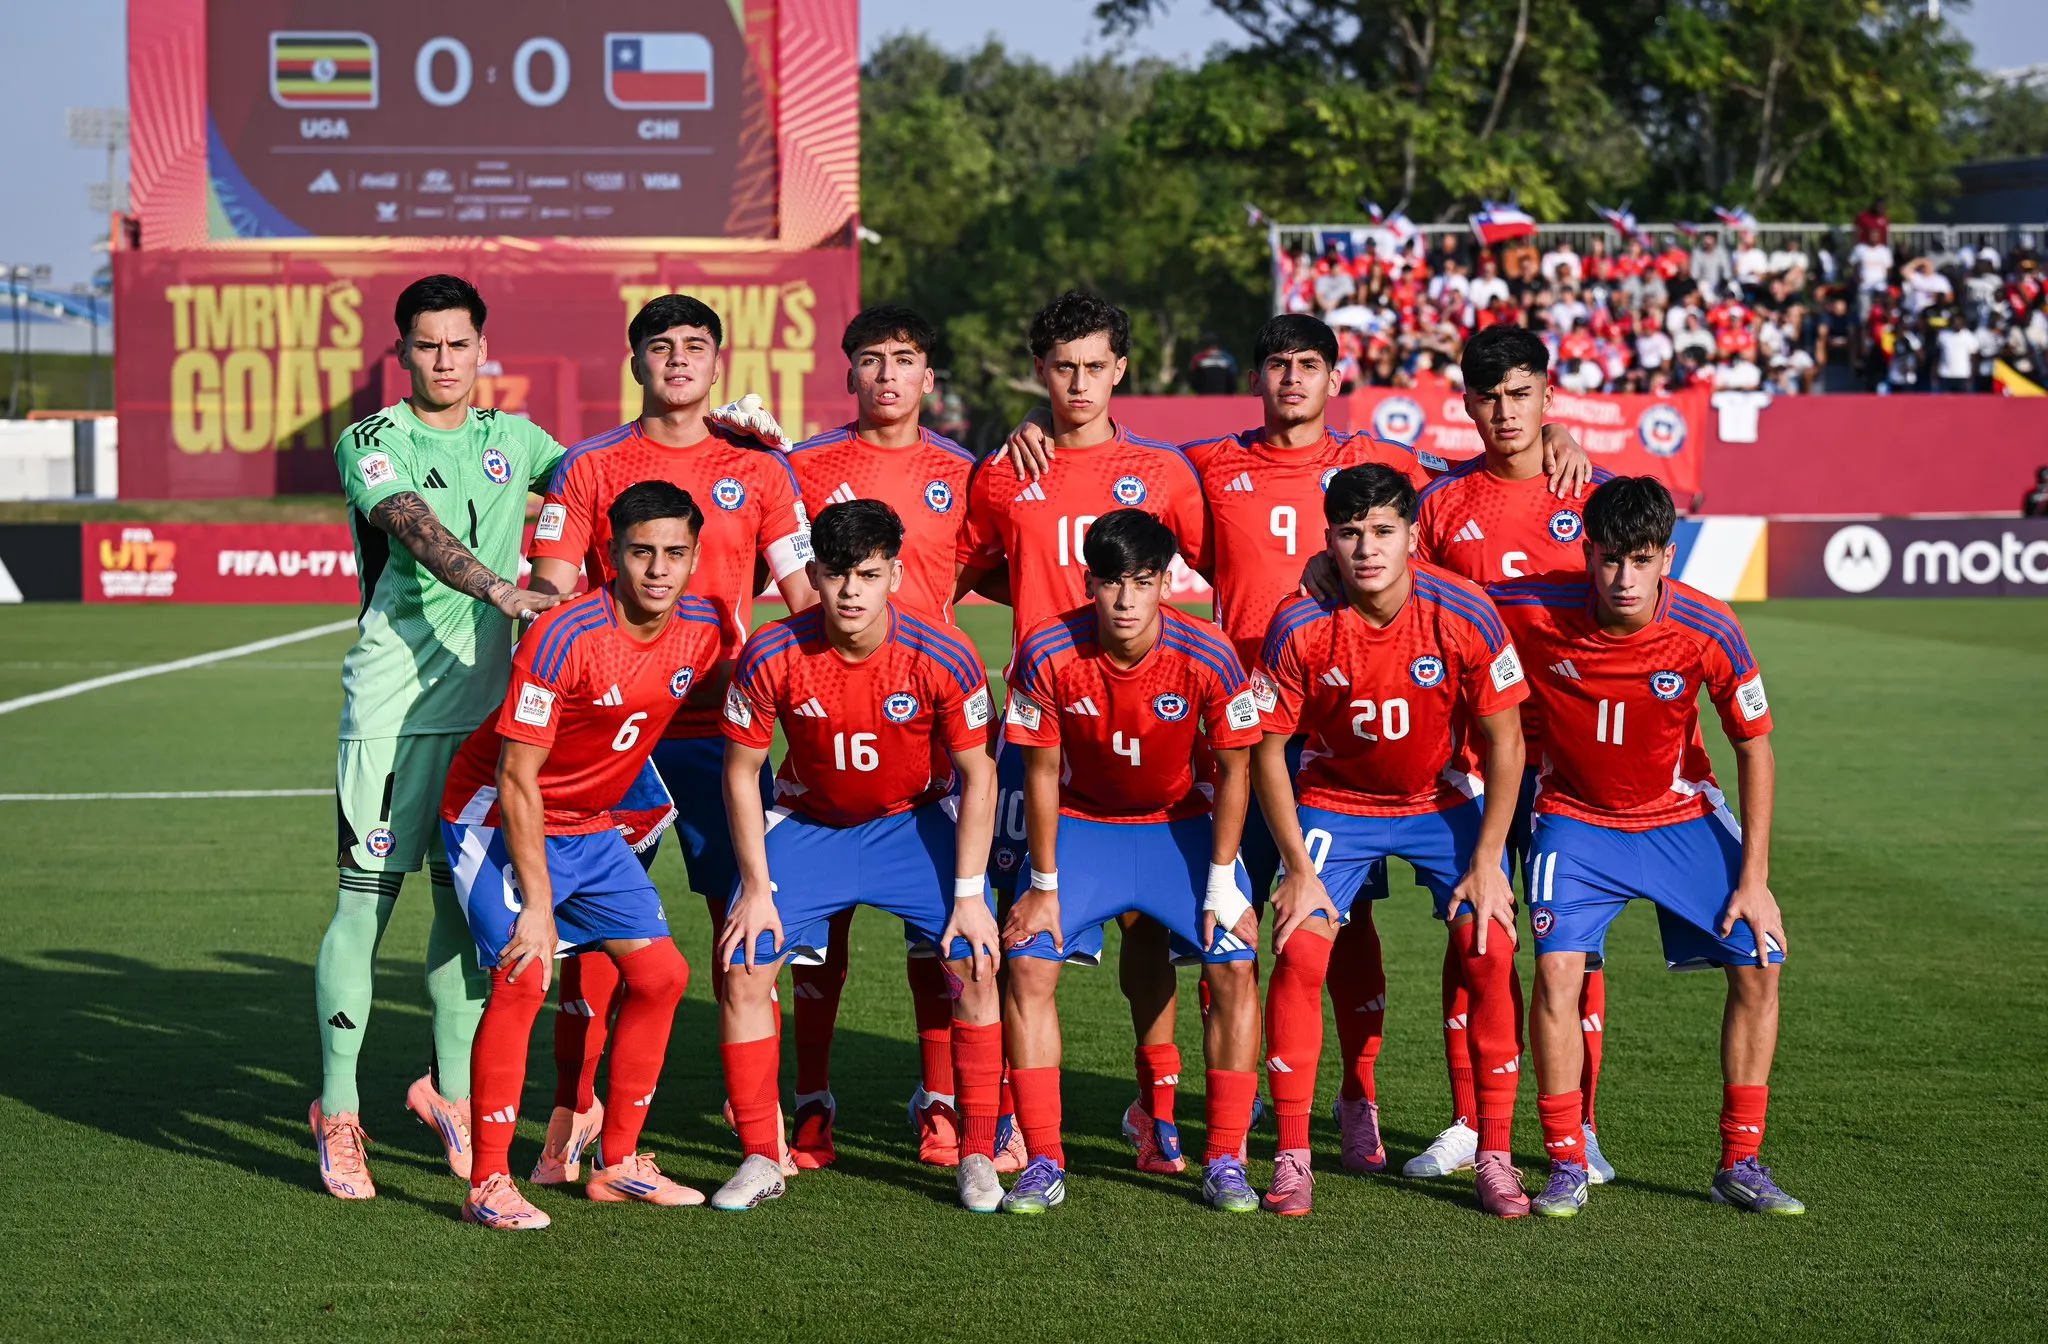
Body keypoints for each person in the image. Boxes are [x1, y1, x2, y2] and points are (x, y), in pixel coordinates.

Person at [524, 294, 819, 1176]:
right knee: (595, 937)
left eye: (696, 346)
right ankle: (574, 1112)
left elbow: (805, 602)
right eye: (661, 345)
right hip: (612, 737)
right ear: (636, 362)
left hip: (725, 735)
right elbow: (551, 590)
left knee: (746, 924)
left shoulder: (759, 470)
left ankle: (756, 1116)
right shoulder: (588, 465)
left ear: (718, 364)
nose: (679, 359)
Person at [314, 274, 567, 1200]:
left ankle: (450, 1094)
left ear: (482, 350)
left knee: (466, 914)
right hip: (395, 713)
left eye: (460, 343)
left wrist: (720, 437)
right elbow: (413, 528)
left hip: (489, 720)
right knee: (365, 908)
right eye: (428, 344)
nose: (445, 359)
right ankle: (339, 1111)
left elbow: (607, 480)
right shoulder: (371, 440)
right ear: (403, 352)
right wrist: (497, 586)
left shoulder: (517, 439)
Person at [1492, 476, 1800, 1218]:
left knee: (1760, 963)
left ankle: (1741, 1162)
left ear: (1667, 556)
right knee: (1556, 974)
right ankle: (1566, 1162)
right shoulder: (1532, 607)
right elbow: (1435, 597)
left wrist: (1754, 879)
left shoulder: (1708, 625)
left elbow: (1754, 747)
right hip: (1575, 821)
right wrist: (1324, 571)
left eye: (1640, 560)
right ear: (1587, 553)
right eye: (1609, 559)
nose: (1624, 579)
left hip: (1680, 817)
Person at [956, 291, 1209, 1176]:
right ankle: (1013, 1117)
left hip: (1147, 722)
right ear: (1039, 370)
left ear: (1121, 370)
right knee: (1020, 929)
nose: (1078, 383)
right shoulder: (1004, 472)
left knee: (1150, 927)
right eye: (1062, 367)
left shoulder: (1163, 472)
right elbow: (966, 569)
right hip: (1040, 731)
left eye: (1095, 366)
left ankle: (1156, 1106)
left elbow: (1224, 563)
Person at [439, 481, 727, 1229]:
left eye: (675, 553)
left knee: (662, 976)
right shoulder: (563, 635)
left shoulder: (703, 627)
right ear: (611, 554)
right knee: (525, 972)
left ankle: (618, 1164)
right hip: (497, 814)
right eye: (641, 552)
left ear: (696, 556)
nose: (658, 570)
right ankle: (488, 1183)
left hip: (592, 825)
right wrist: (538, 908)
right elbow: (516, 778)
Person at [1371, 325, 1621, 1186]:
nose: (1506, 412)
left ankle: (1579, 1128)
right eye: (1489, 397)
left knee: (1572, 948)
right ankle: (1471, 1121)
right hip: (1473, 758)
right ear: (1468, 405)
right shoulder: (1441, 504)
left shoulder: (1592, 494)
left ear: (1549, 393)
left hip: (1572, 760)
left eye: (1521, 394)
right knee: (1474, 934)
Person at [1251, 464, 1531, 1218]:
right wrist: (1298, 868)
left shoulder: (1465, 611)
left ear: (1411, 534)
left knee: (1489, 945)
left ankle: (1496, 1155)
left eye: (1382, 531)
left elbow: (1506, 743)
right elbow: (1268, 749)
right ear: (1328, 540)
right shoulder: (1299, 622)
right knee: (1300, 947)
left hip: (1441, 799)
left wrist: (1487, 861)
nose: (1366, 548)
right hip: (1335, 802)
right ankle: (1295, 1155)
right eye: (1350, 533)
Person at [712, 500, 1005, 1213]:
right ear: (814, 573)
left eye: (868, 575)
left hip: (912, 824)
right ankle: (762, 1155)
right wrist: (755, 886)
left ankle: (976, 1154)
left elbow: (979, 775)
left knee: (975, 959)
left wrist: (970, 896)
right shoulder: (771, 652)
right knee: (744, 964)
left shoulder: (944, 653)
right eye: (837, 573)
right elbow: (741, 772)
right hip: (810, 824)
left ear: (894, 576)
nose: (850, 591)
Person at [782, 306, 1018, 1170]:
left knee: (942, 929)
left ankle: (942, 1100)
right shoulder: (802, 466)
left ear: (929, 376)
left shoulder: (966, 473)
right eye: (871, 359)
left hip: (930, 728)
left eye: (905, 358)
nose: (887, 374)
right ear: (848, 372)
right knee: (819, 929)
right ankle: (811, 1099)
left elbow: (1008, 563)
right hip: (825, 713)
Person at [997, 509, 1267, 1214]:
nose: (1125, 600)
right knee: (1027, 960)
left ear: (1166, 584)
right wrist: (1044, 886)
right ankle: (1043, 1158)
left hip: (1181, 828)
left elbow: (1236, 770)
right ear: (1089, 582)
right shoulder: (1047, 649)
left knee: (1235, 962)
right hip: (1084, 827)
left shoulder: (1208, 652)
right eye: (1112, 582)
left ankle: (1227, 1157)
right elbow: (1041, 772)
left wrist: (1222, 883)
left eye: (1142, 582)